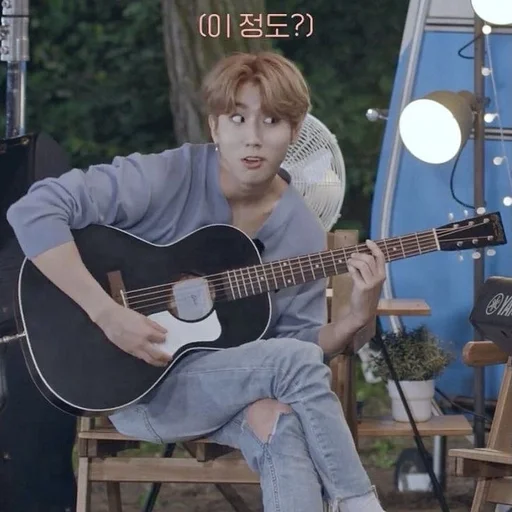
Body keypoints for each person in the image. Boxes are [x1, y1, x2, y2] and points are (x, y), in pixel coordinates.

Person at [7, 51, 387, 511]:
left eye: (271, 121)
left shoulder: (300, 229)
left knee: (281, 422)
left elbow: (299, 343)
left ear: (296, 129)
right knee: (293, 366)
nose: (253, 138)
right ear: (214, 127)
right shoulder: (170, 175)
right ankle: (357, 501)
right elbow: (34, 209)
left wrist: (356, 316)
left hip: (232, 384)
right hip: (135, 385)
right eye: (237, 119)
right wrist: (106, 313)